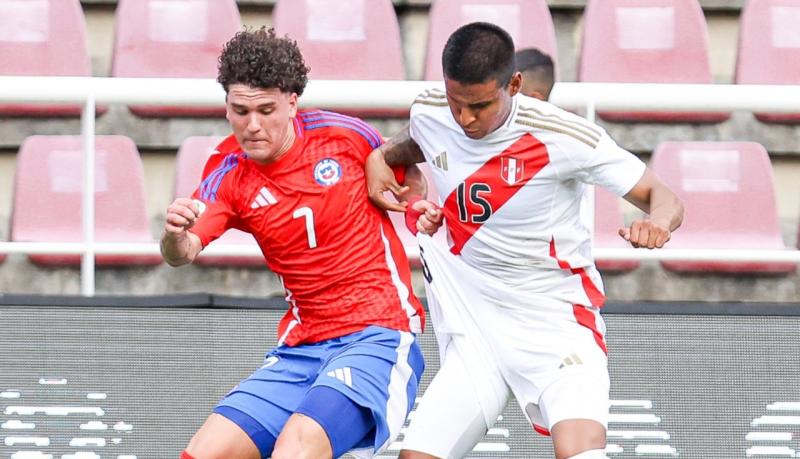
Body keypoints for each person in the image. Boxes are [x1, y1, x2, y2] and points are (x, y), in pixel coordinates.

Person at [366, 22, 684, 459]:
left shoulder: (565, 137)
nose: (465, 119)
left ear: (514, 85)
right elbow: (417, 141)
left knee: (580, 453)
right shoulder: (431, 111)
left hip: (554, 320)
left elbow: (664, 197)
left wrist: (658, 223)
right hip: (475, 324)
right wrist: (380, 156)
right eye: (457, 103)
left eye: (480, 105)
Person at [161, 27, 428, 459]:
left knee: (295, 450)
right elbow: (184, 251)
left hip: (377, 335)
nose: (252, 125)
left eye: (266, 110)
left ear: (291, 102)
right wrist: (174, 235)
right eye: (240, 111)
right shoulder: (228, 172)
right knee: (202, 453)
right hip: (301, 349)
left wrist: (416, 199)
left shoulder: (343, 136)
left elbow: (409, 169)